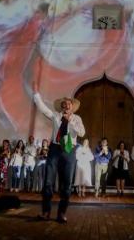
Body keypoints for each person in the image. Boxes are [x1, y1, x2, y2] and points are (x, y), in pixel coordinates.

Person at [32, 82, 85, 223]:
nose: (67, 105)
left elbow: (82, 132)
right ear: (61, 106)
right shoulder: (55, 116)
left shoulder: (77, 119)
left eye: (69, 104)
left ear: (72, 107)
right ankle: (46, 212)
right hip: (55, 149)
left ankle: (61, 213)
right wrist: (36, 94)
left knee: (66, 184)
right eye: (64, 103)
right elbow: (43, 109)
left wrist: (70, 122)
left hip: (69, 150)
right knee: (48, 182)